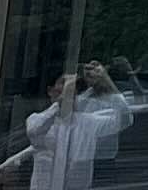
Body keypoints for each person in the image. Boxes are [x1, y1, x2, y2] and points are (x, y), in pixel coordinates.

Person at [25, 62, 128, 190]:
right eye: (63, 82)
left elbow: (125, 119)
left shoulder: (88, 123)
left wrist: (106, 83)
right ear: (50, 91)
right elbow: (34, 131)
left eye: (74, 86)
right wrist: (60, 104)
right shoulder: (36, 119)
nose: (70, 89)